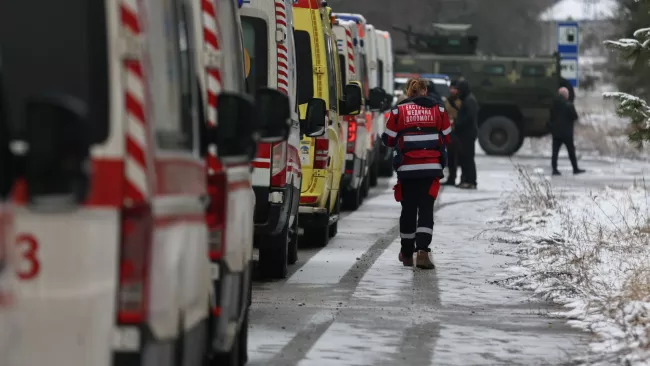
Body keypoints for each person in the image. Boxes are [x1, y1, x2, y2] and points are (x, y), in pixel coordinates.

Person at [382, 78, 452, 269]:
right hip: (431, 170)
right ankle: (422, 251)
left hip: (407, 170)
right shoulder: (439, 110)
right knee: (426, 208)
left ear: (408, 91)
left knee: (408, 210)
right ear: (425, 91)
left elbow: (387, 139)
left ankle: (406, 254)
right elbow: (447, 136)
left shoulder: (398, 110)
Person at [549, 87, 585, 175]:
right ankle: (575, 168)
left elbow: (551, 117)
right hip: (567, 133)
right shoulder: (569, 105)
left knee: (555, 152)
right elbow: (575, 117)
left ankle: (554, 169)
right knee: (571, 152)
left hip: (556, 132)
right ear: (566, 95)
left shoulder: (553, 104)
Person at [450, 79, 478, 189]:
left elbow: (468, 118)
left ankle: (470, 181)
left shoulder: (469, 100)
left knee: (468, 158)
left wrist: (458, 123)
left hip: (468, 134)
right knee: (464, 158)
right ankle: (466, 180)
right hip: (464, 134)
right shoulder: (467, 99)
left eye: (459, 90)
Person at [443, 85, 462, 186]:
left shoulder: (460, 101)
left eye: (454, 88)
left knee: (455, 156)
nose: (452, 90)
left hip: (457, 131)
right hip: (448, 130)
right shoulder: (447, 101)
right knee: (450, 156)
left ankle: (455, 178)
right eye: (451, 88)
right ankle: (451, 178)